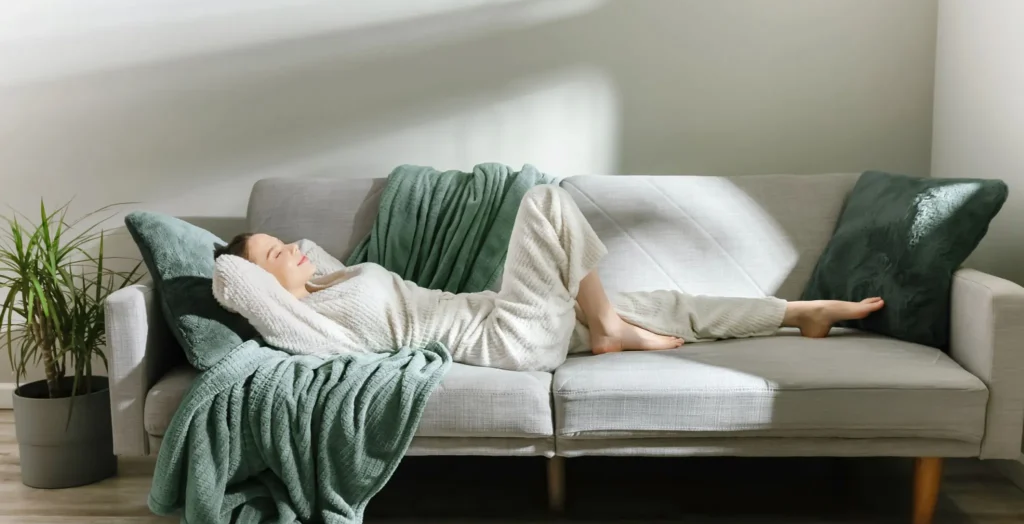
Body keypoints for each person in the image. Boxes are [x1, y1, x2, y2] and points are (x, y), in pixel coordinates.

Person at [212, 184, 883, 372]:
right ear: (263, 288)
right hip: (505, 338)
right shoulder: (308, 325)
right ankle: (612, 327)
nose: (296, 250)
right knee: (544, 201)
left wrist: (278, 255)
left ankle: (802, 312)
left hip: (507, 314)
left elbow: (306, 255)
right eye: (277, 255)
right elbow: (235, 285)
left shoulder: (328, 283)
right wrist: (246, 263)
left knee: (669, 304)